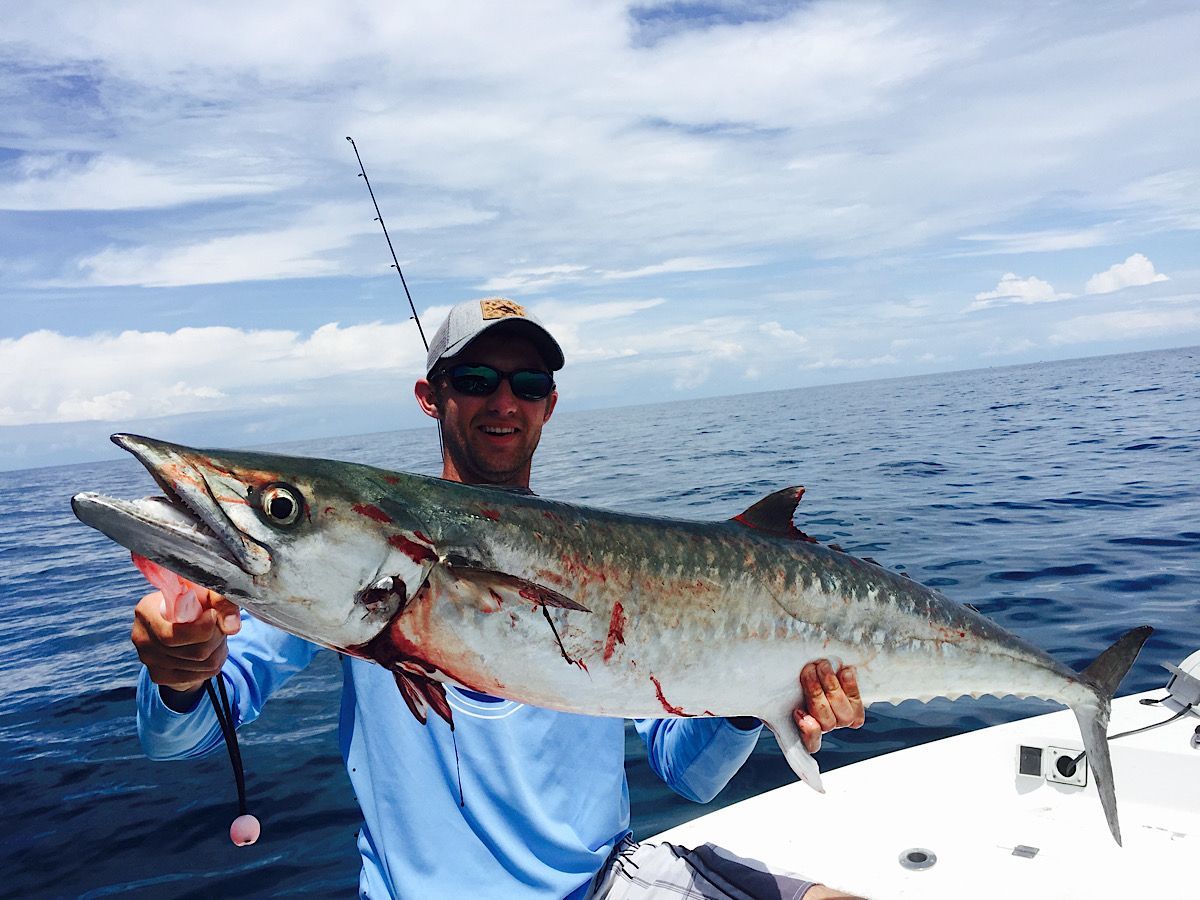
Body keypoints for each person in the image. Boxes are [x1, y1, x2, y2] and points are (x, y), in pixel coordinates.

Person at [132, 298, 866, 899]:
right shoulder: (338, 590)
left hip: (607, 885)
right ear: (432, 396)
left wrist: (757, 700)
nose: (504, 401)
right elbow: (180, 737)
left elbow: (688, 776)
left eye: (530, 384)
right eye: (477, 378)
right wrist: (178, 670)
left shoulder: (606, 564)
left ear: (549, 406)